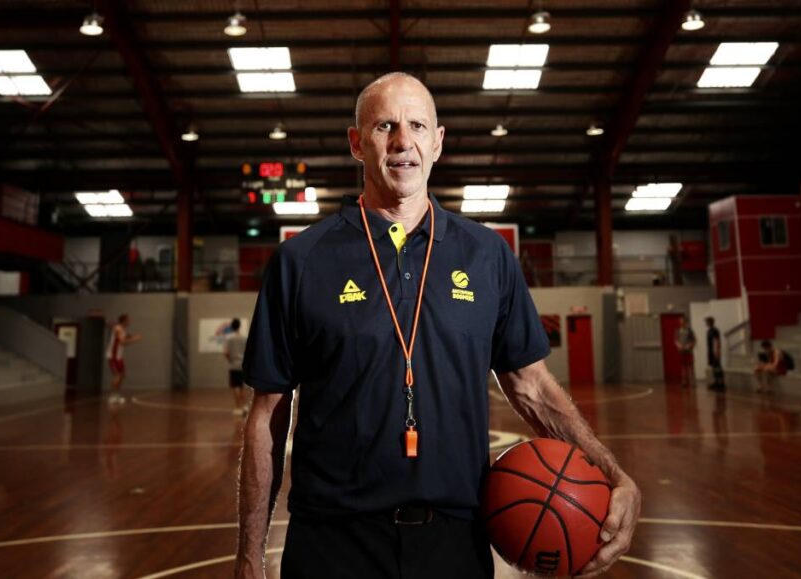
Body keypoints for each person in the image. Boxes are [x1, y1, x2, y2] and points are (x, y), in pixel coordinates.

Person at [234, 73, 640, 579]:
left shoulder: (488, 255)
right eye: (385, 126)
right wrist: (250, 553)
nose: (403, 142)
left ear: (438, 141)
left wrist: (610, 472)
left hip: (454, 541)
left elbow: (531, 386)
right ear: (357, 143)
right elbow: (267, 415)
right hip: (332, 542)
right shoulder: (301, 261)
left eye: (417, 126)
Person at [105, 314, 141, 405]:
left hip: (119, 356)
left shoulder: (121, 329)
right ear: (124, 320)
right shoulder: (118, 329)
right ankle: (112, 396)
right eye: (128, 320)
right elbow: (122, 342)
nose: (129, 322)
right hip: (113, 356)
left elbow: (124, 336)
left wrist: (131, 336)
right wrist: (135, 339)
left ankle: (116, 395)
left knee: (122, 375)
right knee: (117, 375)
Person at [224, 318, 249, 415]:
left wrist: (230, 359)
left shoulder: (229, 338)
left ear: (232, 327)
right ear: (239, 326)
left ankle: (238, 407)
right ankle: (245, 406)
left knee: (235, 386)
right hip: (242, 365)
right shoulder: (244, 338)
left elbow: (226, 352)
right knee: (242, 386)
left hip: (233, 365)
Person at [674, 317, 696, 388]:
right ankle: (684, 382)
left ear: (686, 322)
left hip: (688, 351)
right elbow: (676, 340)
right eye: (680, 321)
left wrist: (689, 345)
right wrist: (679, 345)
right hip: (681, 351)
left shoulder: (690, 331)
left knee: (690, 367)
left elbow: (694, 340)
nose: (681, 323)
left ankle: (692, 382)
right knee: (683, 367)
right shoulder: (677, 331)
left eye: (683, 321)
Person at [705, 316, 725, 390]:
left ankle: (721, 383)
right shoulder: (709, 331)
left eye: (707, 322)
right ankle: (716, 382)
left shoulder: (715, 330)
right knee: (714, 367)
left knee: (718, 367)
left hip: (715, 351)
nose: (706, 323)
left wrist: (716, 351)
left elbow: (716, 341)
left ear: (711, 322)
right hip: (711, 351)